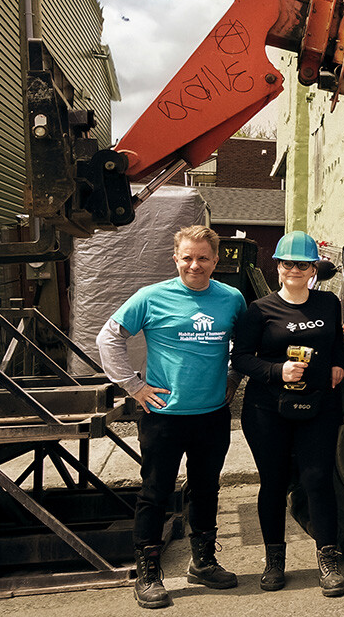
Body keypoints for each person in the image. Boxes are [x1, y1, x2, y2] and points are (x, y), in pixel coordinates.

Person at [96, 225, 246, 609]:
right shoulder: (151, 297)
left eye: (203, 258)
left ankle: (204, 561)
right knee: (155, 492)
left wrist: (232, 376)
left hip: (212, 415)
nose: (194, 265)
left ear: (216, 260)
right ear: (175, 257)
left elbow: (242, 346)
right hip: (163, 415)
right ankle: (148, 573)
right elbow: (108, 337)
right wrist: (134, 387)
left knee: (206, 489)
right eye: (187, 257)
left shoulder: (231, 299)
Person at [230, 232, 344, 596]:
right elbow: (241, 357)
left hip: (319, 407)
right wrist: (275, 371)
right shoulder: (259, 310)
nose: (295, 269)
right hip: (268, 410)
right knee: (274, 483)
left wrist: (338, 365)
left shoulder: (328, 304)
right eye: (288, 263)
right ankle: (274, 562)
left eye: (303, 264)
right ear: (278, 267)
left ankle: (328, 560)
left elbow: (337, 344)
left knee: (317, 480)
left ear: (314, 269)